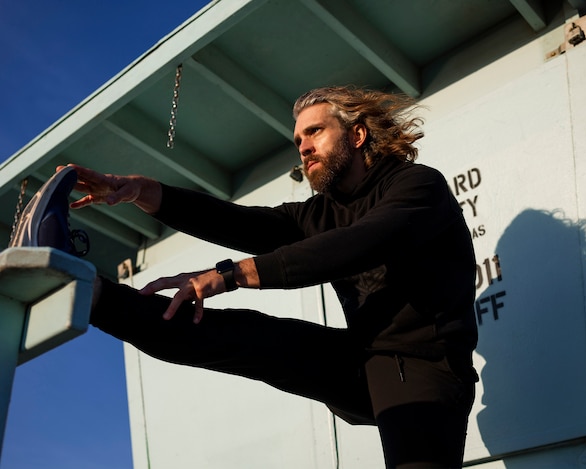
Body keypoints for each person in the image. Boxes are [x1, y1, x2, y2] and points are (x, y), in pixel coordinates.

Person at [14, 86, 479, 468]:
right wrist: (144, 192)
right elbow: (242, 223)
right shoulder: (319, 212)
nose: (303, 147)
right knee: (248, 338)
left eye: (314, 132)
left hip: (426, 369)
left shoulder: (418, 186)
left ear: (357, 135)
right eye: (298, 140)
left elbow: (358, 243)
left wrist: (231, 274)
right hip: (362, 362)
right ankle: (93, 293)